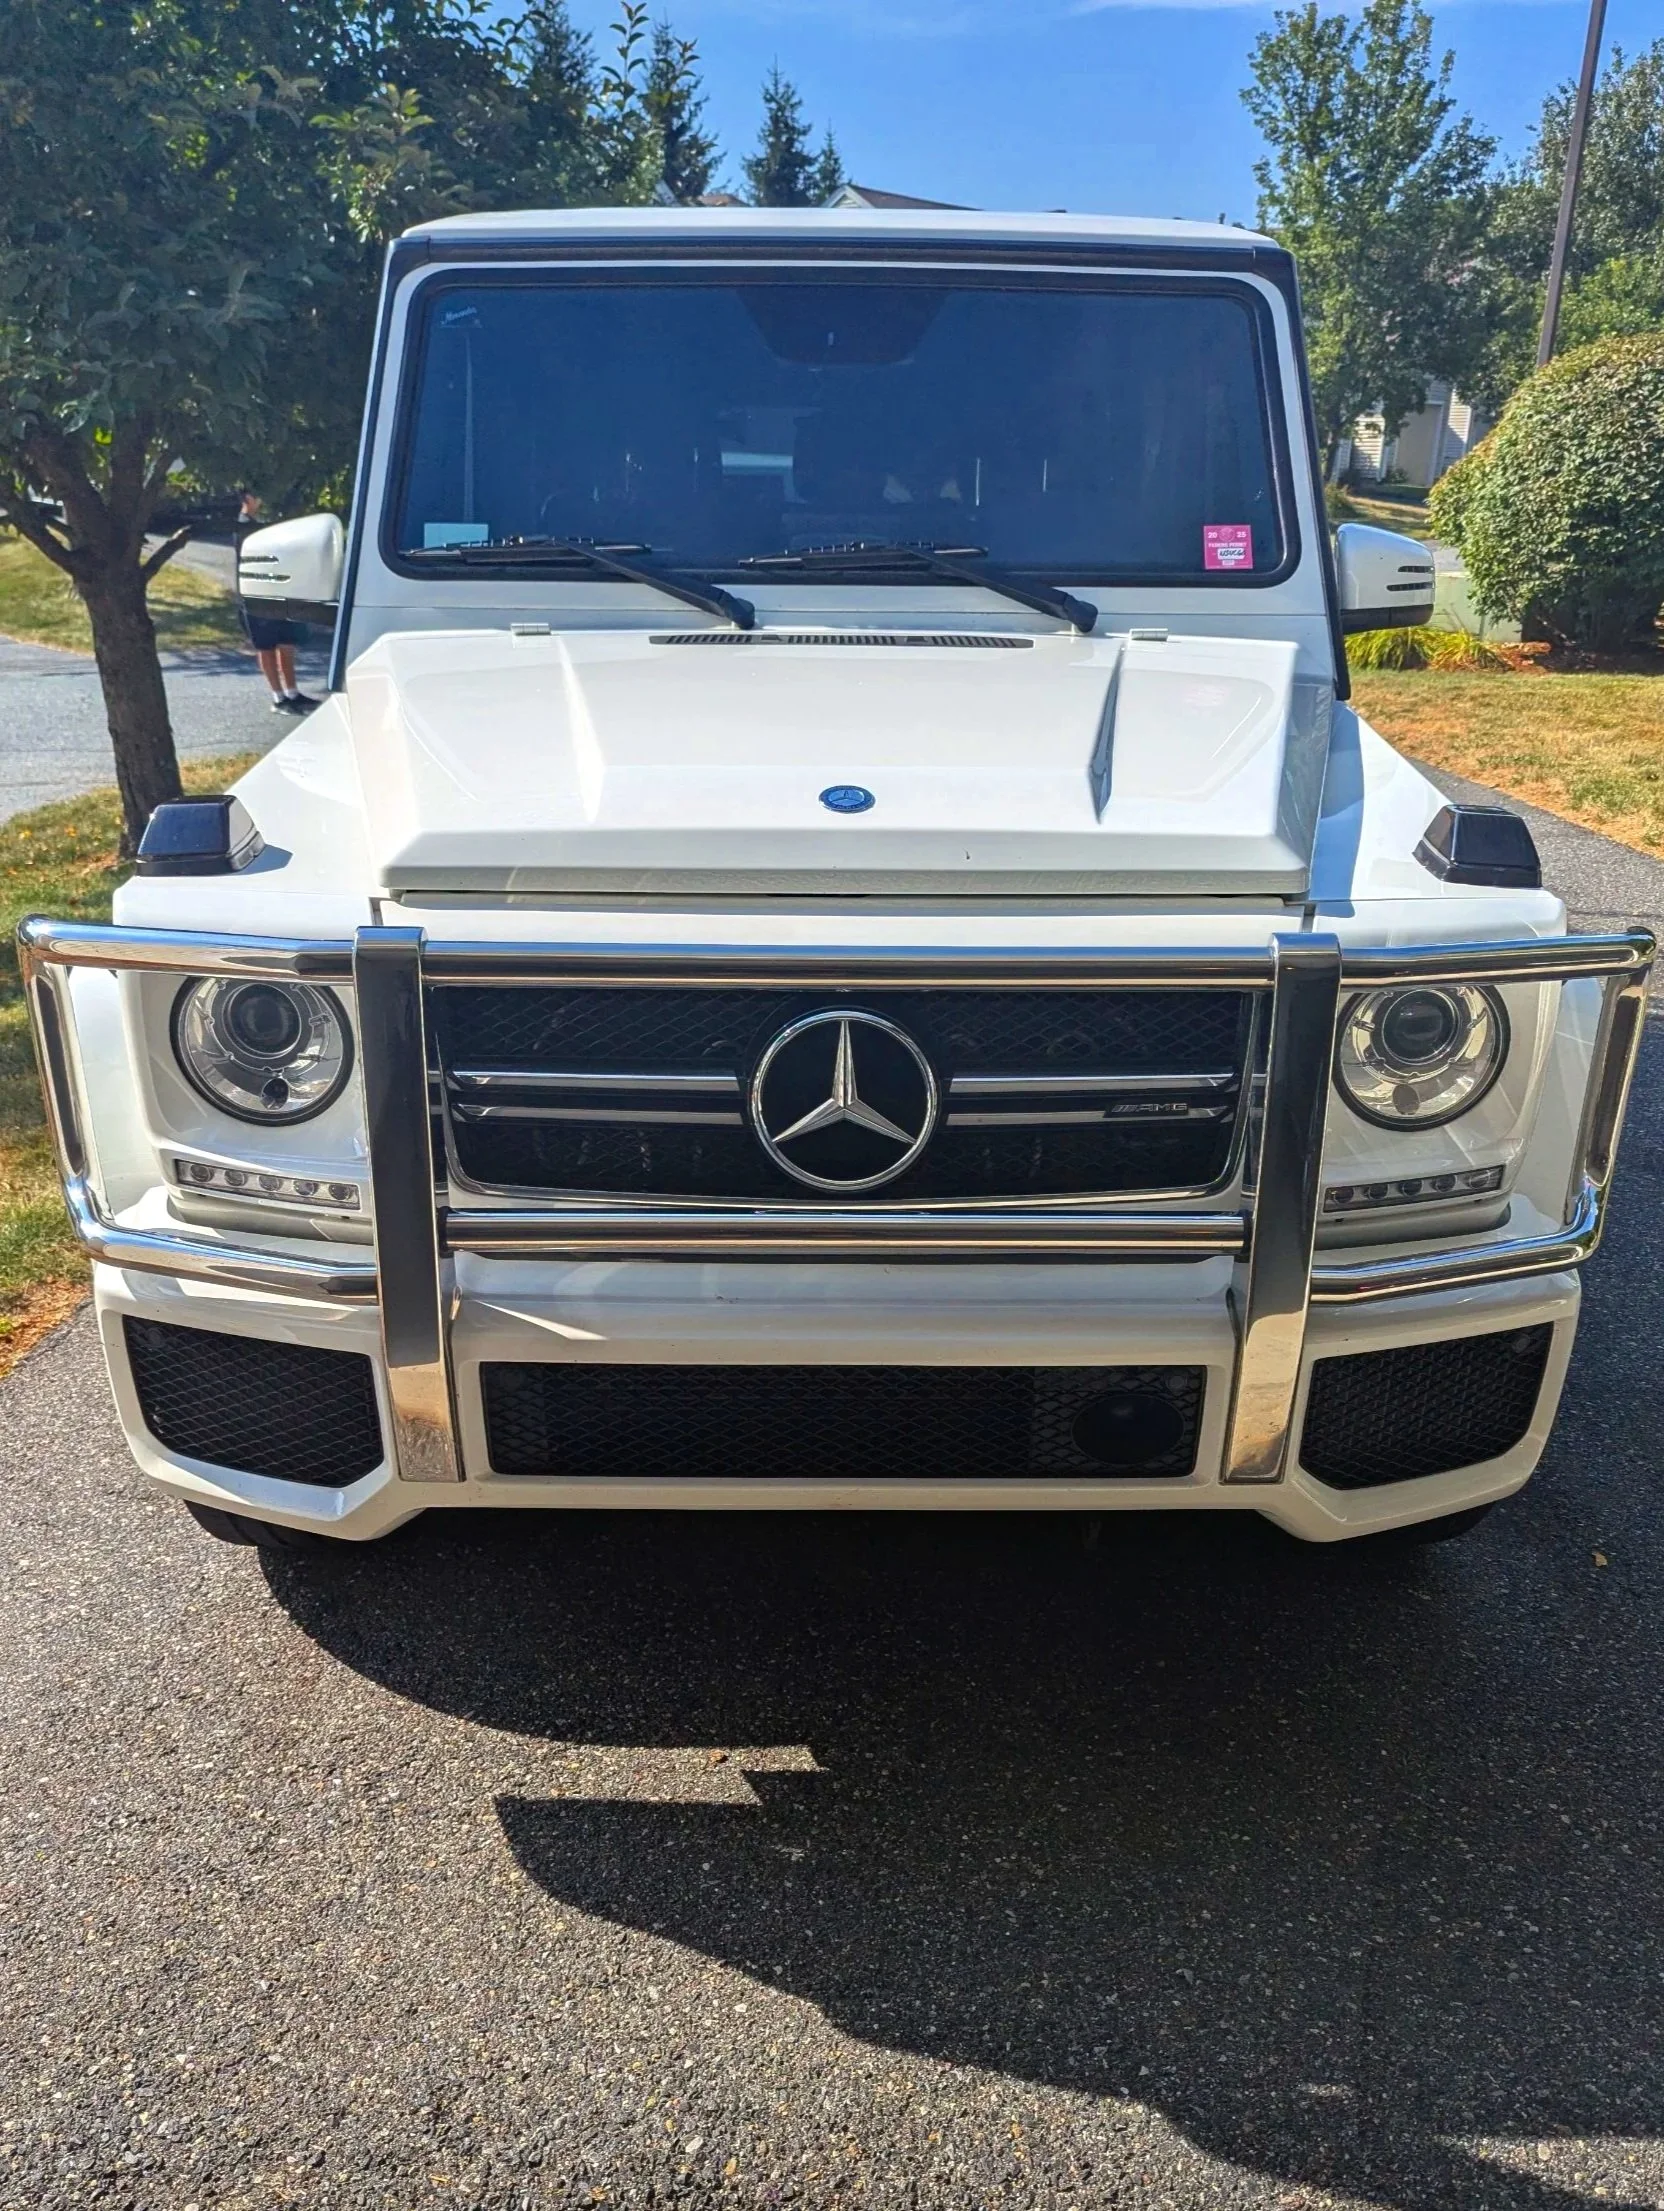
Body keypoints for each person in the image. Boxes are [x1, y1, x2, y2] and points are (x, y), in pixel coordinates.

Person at [236, 491, 319, 715]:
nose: (261, 500)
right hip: (257, 594)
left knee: (286, 644)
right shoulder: (242, 527)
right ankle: (278, 697)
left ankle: (293, 693)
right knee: (266, 647)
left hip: (280, 593)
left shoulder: (265, 524)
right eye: (256, 496)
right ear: (247, 499)